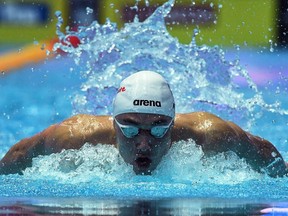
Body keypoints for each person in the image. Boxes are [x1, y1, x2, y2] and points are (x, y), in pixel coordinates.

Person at [0, 71, 287, 177]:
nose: (144, 142)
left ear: (174, 123)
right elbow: (17, 157)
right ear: (113, 124)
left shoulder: (212, 135)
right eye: (130, 127)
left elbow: (270, 160)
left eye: (160, 127)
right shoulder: (73, 136)